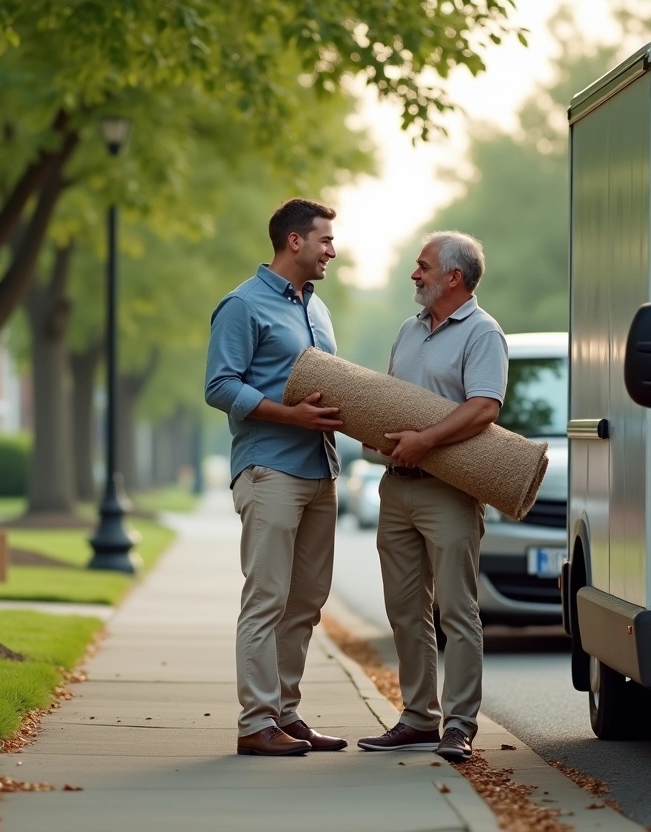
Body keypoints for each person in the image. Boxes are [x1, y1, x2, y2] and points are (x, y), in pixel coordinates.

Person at [357, 231, 508, 762]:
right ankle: (419, 718)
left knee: (456, 612)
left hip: (449, 493)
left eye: (423, 267)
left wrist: (426, 441)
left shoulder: (483, 333)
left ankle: (459, 726)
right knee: (403, 610)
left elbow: (485, 406)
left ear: (454, 277)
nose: (414, 275)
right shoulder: (408, 329)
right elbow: (395, 399)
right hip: (396, 490)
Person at [204, 198, 347, 757]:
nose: (332, 250)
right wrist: (289, 415)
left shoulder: (318, 309)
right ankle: (255, 722)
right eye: (325, 240)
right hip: (270, 469)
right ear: (294, 241)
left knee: (307, 601)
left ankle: (286, 714)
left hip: (320, 468)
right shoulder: (242, 305)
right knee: (267, 597)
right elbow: (220, 386)